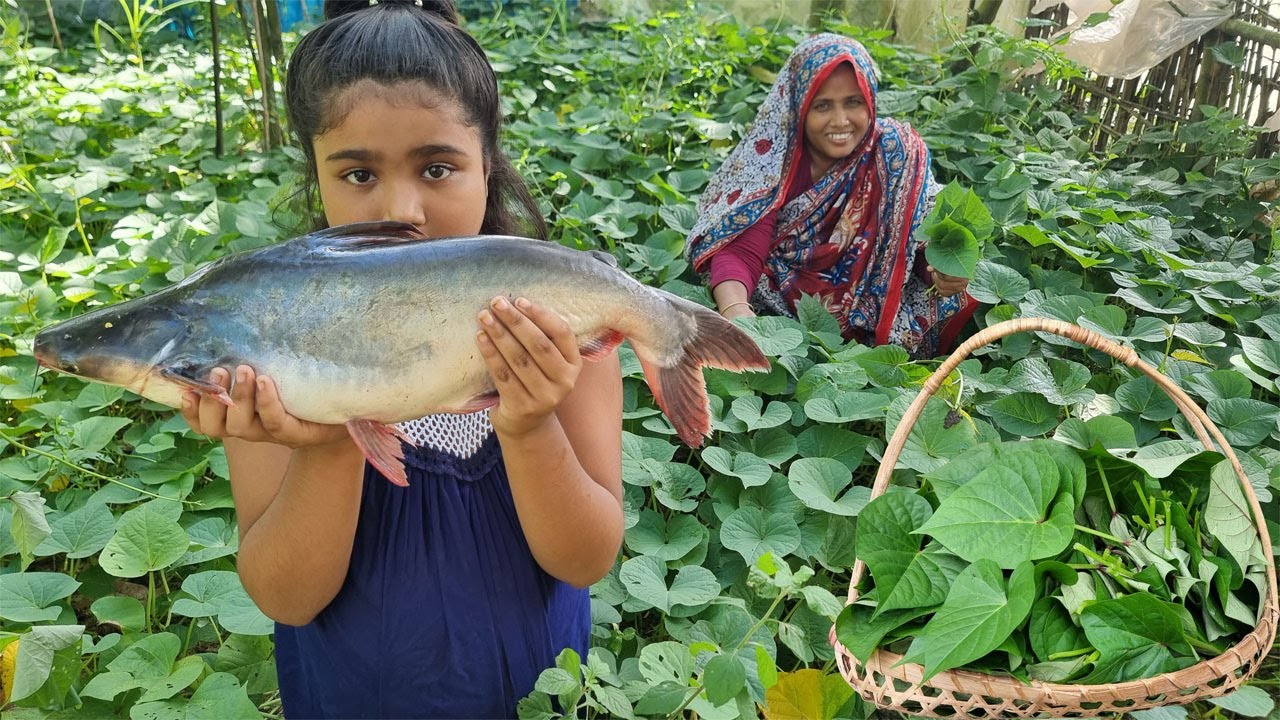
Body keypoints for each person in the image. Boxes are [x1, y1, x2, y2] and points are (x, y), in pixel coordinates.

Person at [179, 1, 624, 717]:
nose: (403, 208)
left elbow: (585, 560)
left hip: (527, 686)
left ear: (489, 167)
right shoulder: (270, 352)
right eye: (358, 175)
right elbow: (287, 596)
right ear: (315, 178)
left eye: (438, 167)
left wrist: (530, 424)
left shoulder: (561, 330)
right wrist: (326, 447)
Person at [685, 33, 978, 358]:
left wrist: (938, 271)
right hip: (786, 310)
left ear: (870, 99)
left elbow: (915, 241)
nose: (840, 122)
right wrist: (736, 311)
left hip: (874, 311)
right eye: (823, 106)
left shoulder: (895, 153)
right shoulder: (775, 159)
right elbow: (742, 248)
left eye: (853, 102)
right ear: (799, 107)